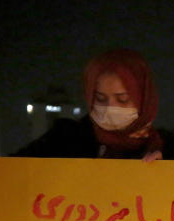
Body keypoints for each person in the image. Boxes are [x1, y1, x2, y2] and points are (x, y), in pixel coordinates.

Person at [14, 49, 162, 161]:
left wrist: (165, 171)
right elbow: (10, 170)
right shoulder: (64, 139)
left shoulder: (167, 148)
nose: (110, 108)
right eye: (100, 99)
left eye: (122, 99)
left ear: (144, 99)